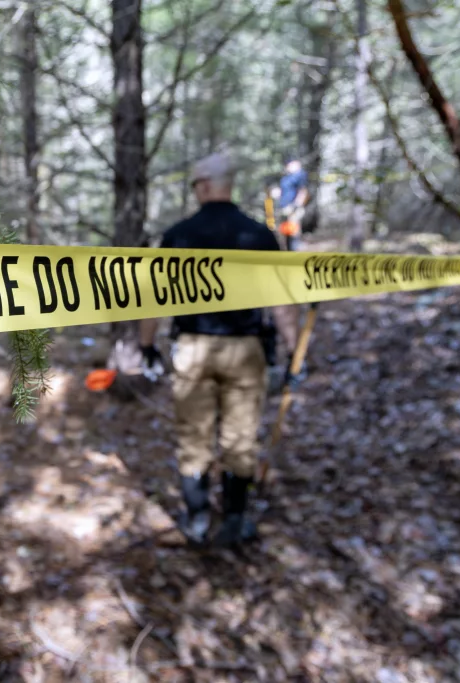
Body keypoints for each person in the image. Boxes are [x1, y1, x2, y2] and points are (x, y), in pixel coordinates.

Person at [138, 151, 299, 547]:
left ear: (207, 185)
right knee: (240, 438)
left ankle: (196, 520)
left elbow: (152, 299)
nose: (195, 190)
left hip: (192, 348)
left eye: (195, 184)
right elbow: (281, 302)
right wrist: (294, 350)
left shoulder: (178, 236)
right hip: (246, 351)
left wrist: (147, 347)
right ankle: (234, 520)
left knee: (193, 437)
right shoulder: (260, 235)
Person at [276, 156, 309, 251]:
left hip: (293, 207)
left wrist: (297, 204)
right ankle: (288, 250)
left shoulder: (300, 175)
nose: (288, 166)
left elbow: (303, 191)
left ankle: (295, 252)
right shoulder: (286, 178)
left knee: (294, 231)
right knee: (285, 231)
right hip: (284, 207)